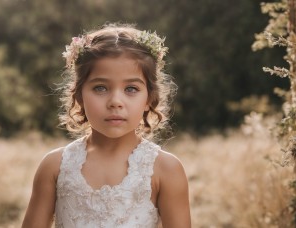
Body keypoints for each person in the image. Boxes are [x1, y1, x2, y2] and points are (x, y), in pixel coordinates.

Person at [21, 23, 191, 228]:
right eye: (100, 88)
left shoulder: (166, 169)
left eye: (131, 88)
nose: (115, 101)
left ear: (149, 98)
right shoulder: (54, 166)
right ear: (79, 95)